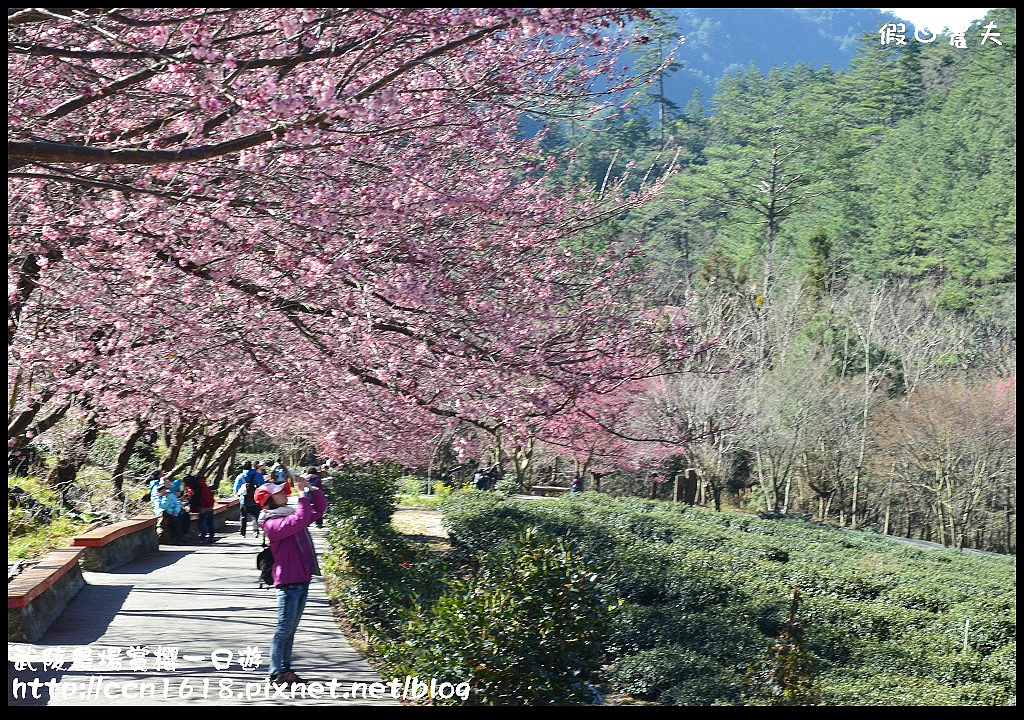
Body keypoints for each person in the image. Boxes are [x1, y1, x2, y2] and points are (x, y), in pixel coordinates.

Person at [256, 476, 327, 686]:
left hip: (302, 579)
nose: (283, 493)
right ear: (269, 499)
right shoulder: (271, 523)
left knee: (290, 630)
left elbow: (319, 508)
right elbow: (301, 518)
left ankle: (285, 670)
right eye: (278, 492)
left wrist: (310, 488)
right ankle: (276, 672)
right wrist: (301, 494)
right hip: (288, 582)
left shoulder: (287, 514)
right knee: (283, 629)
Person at [185, 474, 216, 544]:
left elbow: (194, 498)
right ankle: (211, 537)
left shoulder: (193, 486)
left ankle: (203, 538)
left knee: (203, 523)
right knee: (210, 522)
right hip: (210, 505)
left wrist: (189, 502)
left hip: (203, 506)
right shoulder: (202, 484)